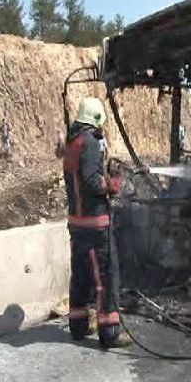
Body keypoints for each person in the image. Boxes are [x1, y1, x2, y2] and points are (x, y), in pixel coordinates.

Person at [62, 97, 132, 349]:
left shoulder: (73, 142)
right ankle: (109, 331)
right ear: (96, 119)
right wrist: (112, 185)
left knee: (80, 276)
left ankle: (78, 326)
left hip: (77, 224)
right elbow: (92, 180)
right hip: (95, 225)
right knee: (106, 277)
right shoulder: (90, 142)